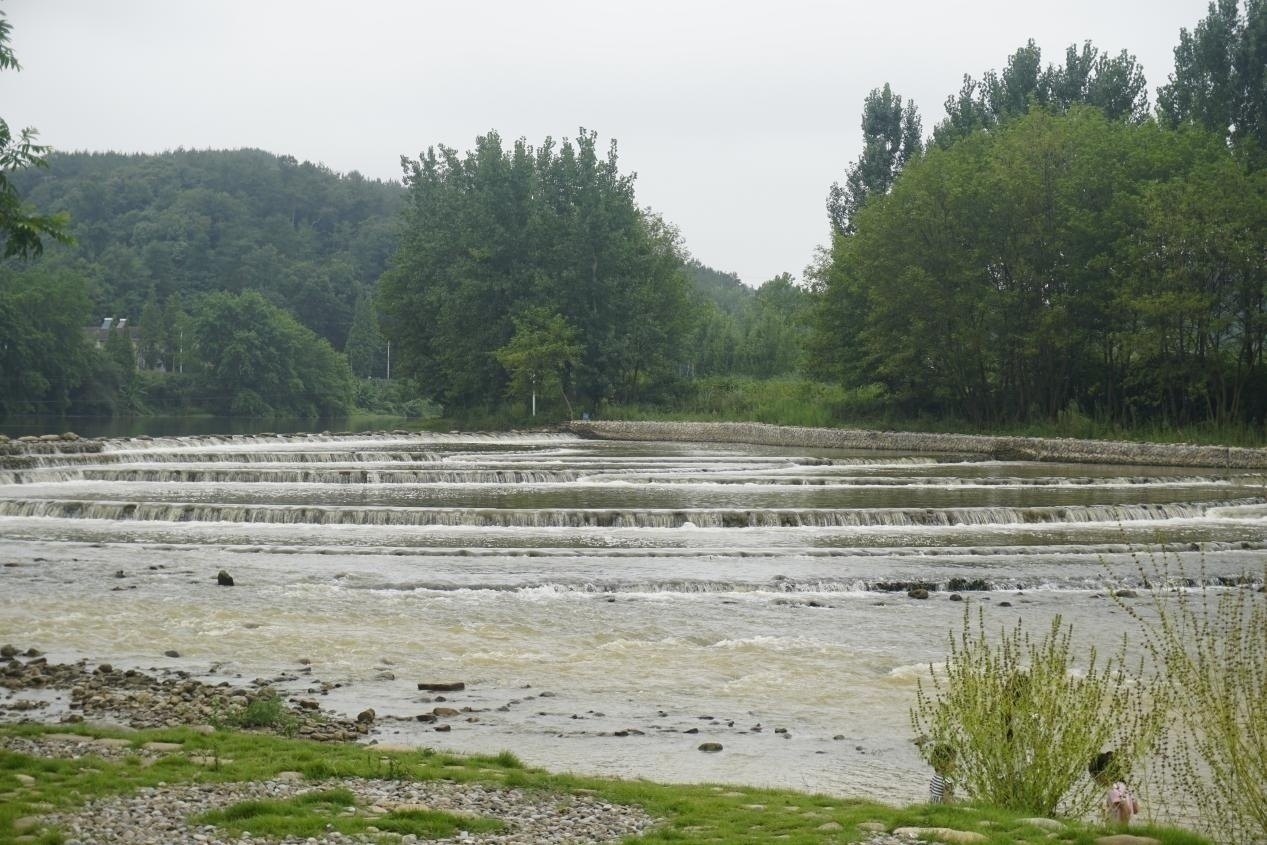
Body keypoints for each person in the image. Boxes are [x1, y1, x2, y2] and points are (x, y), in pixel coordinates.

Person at [1089, 750, 1139, 825]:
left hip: (1118, 829)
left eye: (1095, 777)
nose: (1096, 781)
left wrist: (1122, 828)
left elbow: (1125, 808)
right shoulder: (1124, 786)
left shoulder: (1112, 790)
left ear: (1103, 774)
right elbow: (1136, 809)